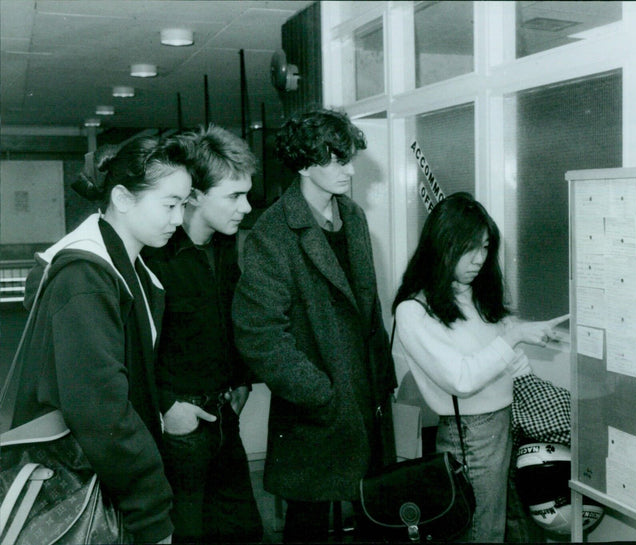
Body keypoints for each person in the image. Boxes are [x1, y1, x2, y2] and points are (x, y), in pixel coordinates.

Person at [12, 135, 195, 544]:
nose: (179, 219)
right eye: (170, 204)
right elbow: (102, 412)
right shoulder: (88, 279)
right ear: (123, 198)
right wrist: (151, 512)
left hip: (102, 480)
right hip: (87, 486)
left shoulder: (126, 269)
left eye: (184, 205)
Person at [232, 108, 396, 543]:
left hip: (367, 401)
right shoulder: (272, 233)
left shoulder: (354, 217)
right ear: (305, 164)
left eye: (350, 158)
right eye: (337, 159)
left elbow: (367, 311)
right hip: (316, 410)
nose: (350, 169)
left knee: (375, 520)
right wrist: (321, 394)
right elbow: (259, 335)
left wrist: (382, 379)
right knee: (308, 527)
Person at [391, 192, 560, 543]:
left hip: (509, 419)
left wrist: (524, 342)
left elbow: (504, 358)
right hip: (470, 433)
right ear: (442, 244)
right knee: (481, 530)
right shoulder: (414, 310)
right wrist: (513, 336)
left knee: (517, 525)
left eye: (485, 247)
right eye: (470, 248)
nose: (480, 259)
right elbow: (461, 378)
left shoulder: (476, 292)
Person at [142, 124, 262, 543]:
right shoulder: (154, 258)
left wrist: (242, 380)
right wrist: (167, 406)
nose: (246, 207)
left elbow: (229, 324)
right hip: (178, 428)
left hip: (225, 418)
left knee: (244, 532)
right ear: (194, 196)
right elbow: (130, 351)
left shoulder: (229, 249)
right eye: (234, 196)